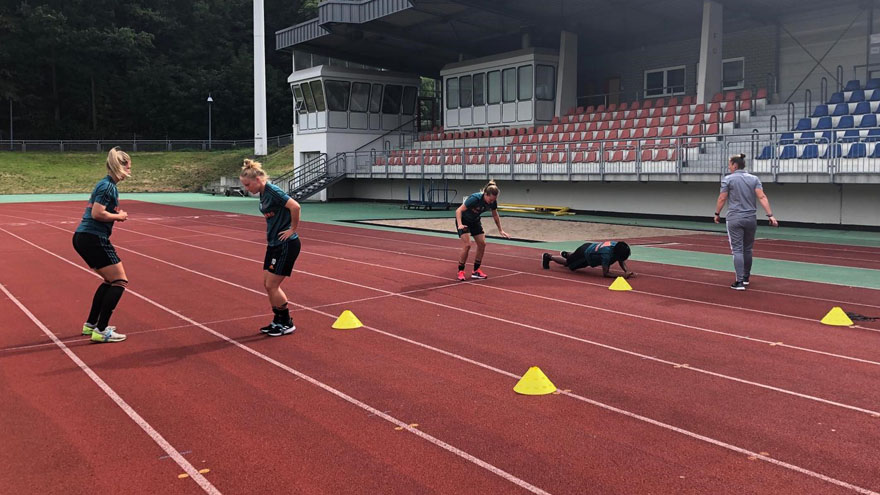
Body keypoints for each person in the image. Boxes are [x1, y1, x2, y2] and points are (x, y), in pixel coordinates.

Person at [71, 147, 131, 343]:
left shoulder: (105, 184)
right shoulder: (108, 187)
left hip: (85, 237)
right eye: (129, 167)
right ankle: (102, 330)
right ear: (120, 167)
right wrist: (119, 216)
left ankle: (91, 325)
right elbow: (98, 213)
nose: (130, 171)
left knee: (109, 281)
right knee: (120, 281)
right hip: (93, 237)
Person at [239, 158, 302, 336]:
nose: (246, 188)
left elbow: (295, 206)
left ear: (257, 180)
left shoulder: (273, 191)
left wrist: (292, 229)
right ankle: (278, 320)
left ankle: (286, 322)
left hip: (286, 244)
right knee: (267, 284)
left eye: (247, 185)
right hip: (273, 244)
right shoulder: (262, 192)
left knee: (273, 285)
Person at [714, 153, 778, 290]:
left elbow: (722, 198)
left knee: (737, 250)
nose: (729, 167)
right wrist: (770, 215)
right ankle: (746, 277)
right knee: (748, 249)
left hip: (735, 218)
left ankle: (739, 281)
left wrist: (717, 213)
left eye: (730, 164)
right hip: (750, 218)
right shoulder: (754, 179)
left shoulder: (728, 179)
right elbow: (762, 197)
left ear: (735, 166)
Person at [454, 180, 510, 281]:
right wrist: (460, 224)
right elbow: (458, 210)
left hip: (475, 221)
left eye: (494, 200)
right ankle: (461, 270)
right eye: (490, 200)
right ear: (485, 194)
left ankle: (476, 270)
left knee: (482, 244)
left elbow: (495, 215)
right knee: (467, 245)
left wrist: (500, 230)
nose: (491, 202)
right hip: (463, 220)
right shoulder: (474, 198)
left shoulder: (493, 202)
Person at [541, 241, 634, 279]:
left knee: (574, 256)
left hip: (588, 246)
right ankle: (548, 257)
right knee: (568, 264)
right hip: (584, 255)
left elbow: (620, 260)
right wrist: (621, 276)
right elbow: (605, 273)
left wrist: (627, 271)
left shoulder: (616, 245)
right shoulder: (607, 254)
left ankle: (567, 254)